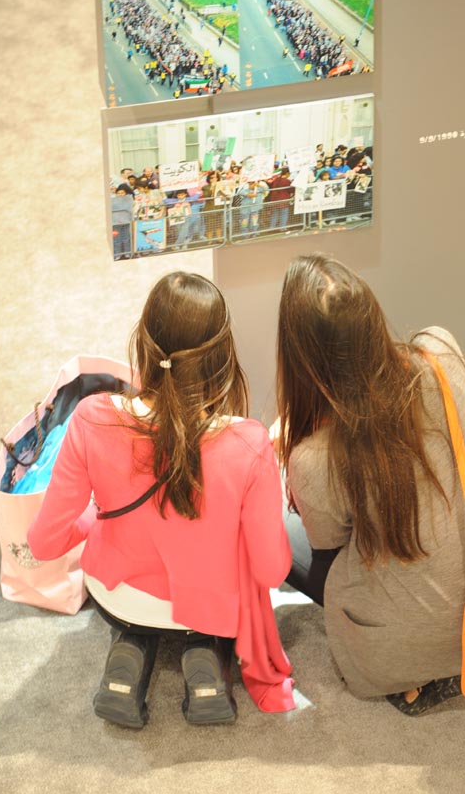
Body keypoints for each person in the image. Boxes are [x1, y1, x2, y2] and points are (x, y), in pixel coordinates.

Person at [27, 272, 295, 728]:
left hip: (117, 598)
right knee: (209, 610)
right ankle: (204, 655)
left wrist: (95, 517)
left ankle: (131, 647)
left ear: (144, 344)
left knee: (133, 617)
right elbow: (272, 571)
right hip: (211, 603)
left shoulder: (92, 418)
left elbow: (43, 543)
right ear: (221, 356)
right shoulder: (249, 444)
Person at [275, 255, 465, 716]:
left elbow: (328, 553)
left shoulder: (315, 459)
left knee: (281, 534)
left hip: (406, 644)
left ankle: (417, 670)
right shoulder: (441, 352)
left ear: (300, 354)